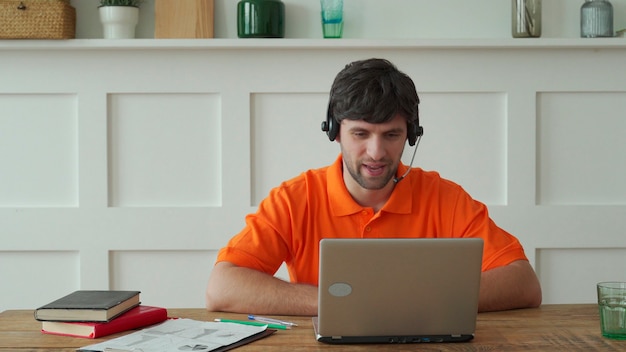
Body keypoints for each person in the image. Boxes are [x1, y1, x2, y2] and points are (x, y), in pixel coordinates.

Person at [206, 58, 542, 316]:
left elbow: (524, 283)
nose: (377, 153)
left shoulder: (444, 197)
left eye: (392, 135)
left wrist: (405, 301)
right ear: (334, 130)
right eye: (361, 134)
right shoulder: (295, 198)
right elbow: (222, 287)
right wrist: (342, 302)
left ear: (410, 135)